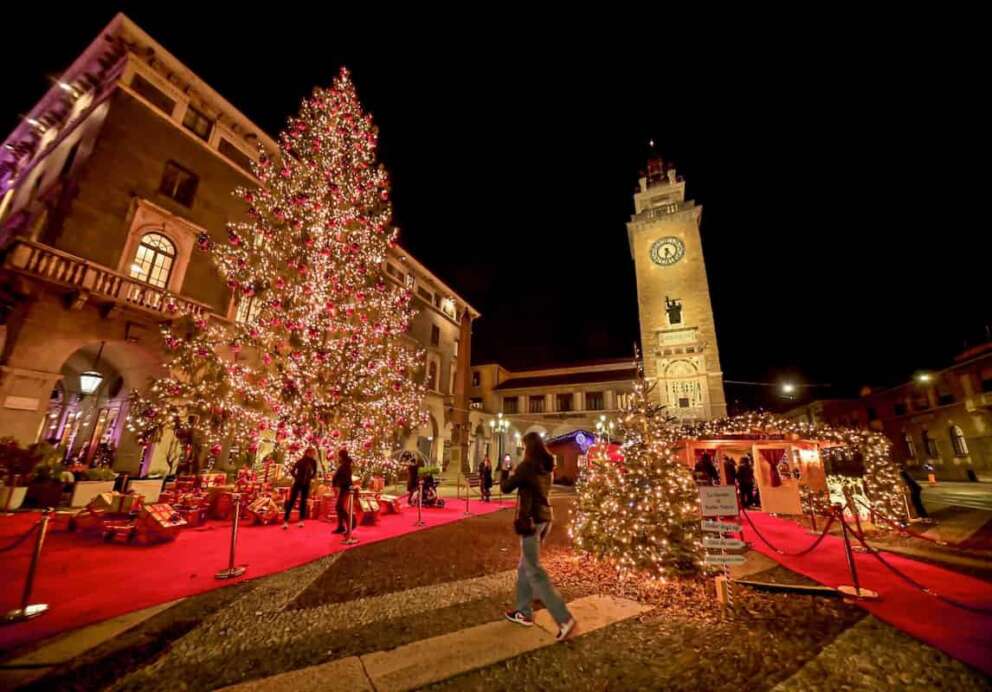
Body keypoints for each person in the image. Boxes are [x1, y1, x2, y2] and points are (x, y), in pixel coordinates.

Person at [500, 431, 577, 642]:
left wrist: (505, 470)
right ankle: (524, 612)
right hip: (546, 519)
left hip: (532, 521)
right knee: (524, 567)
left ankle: (564, 618)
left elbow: (506, 488)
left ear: (528, 447)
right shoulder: (547, 467)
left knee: (533, 570)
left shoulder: (527, 467)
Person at [283, 447, 319, 529]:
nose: (313, 455)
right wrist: (296, 477)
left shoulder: (313, 462)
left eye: (314, 453)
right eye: (312, 453)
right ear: (307, 453)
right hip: (297, 483)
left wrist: (310, 478)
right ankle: (285, 520)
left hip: (306, 484)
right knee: (292, 500)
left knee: (304, 501)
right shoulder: (300, 461)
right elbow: (292, 471)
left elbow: (314, 472)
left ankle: (301, 520)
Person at [332, 448, 355, 534]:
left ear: (341, 456)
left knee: (339, 507)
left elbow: (344, 478)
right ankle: (341, 526)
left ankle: (350, 524)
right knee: (339, 507)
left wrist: (337, 484)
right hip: (344, 488)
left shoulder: (345, 465)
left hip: (345, 488)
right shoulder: (345, 464)